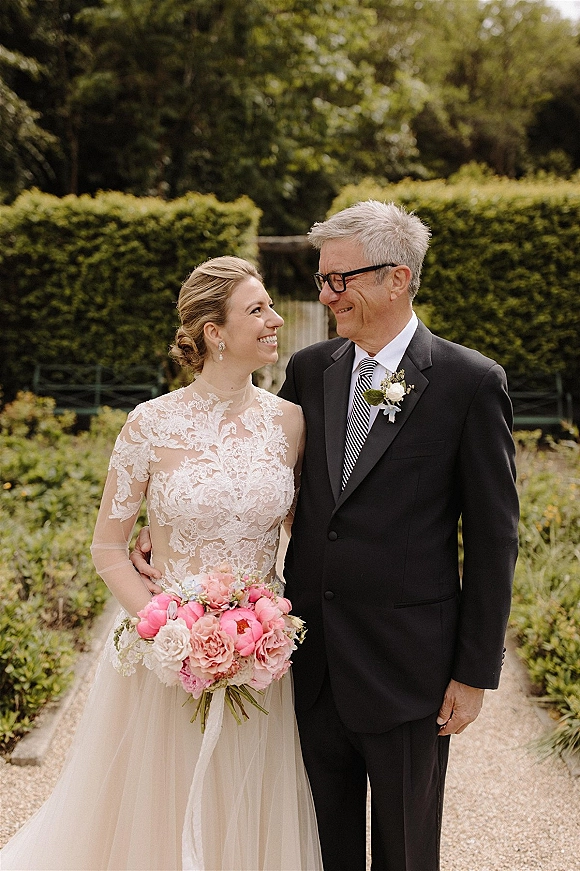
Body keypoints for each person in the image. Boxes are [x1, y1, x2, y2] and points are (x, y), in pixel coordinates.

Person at [132, 201, 520, 871]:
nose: (324, 294)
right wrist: (170, 531)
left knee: (406, 852)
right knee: (319, 850)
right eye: (321, 278)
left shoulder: (469, 383)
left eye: (339, 279)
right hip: (308, 669)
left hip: (410, 673)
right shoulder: (312, 371)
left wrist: (473, 671)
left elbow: (493, 540)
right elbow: (273, 487)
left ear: (396, 278)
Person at [0, 256, 323, 871]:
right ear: (214, 332)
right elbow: (108, 547)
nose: (276, 319)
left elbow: (305, 533)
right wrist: (169, 627)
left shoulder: (292, 423)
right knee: (157, 807)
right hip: (167, 659)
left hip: (262, 655)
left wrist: (265, 624)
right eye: (258, 309)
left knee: (251, 800)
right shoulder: (149, 424)